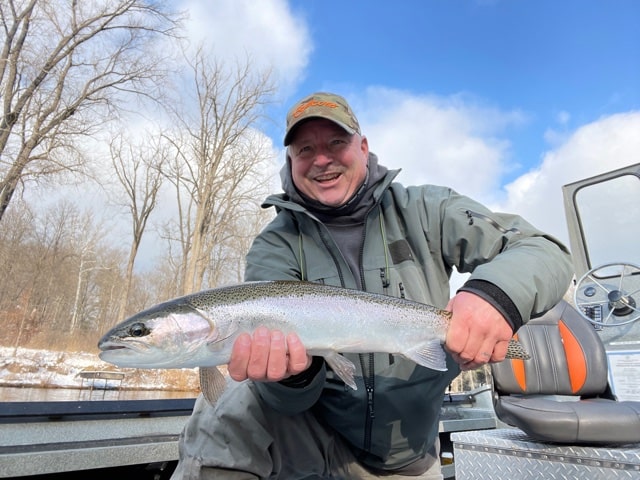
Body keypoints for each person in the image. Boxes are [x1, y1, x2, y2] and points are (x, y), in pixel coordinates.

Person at [171, 92, 574, 479]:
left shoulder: (427, 210)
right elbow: (285, 399)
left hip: (407, 451)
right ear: (291, 161)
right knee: (223, 404)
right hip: (310, 435)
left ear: (363, 148)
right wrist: (291, 377)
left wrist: (493, 298)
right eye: (305, 149)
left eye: (336, 142)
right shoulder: (277, 244)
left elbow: (542, 250)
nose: (322, 160)